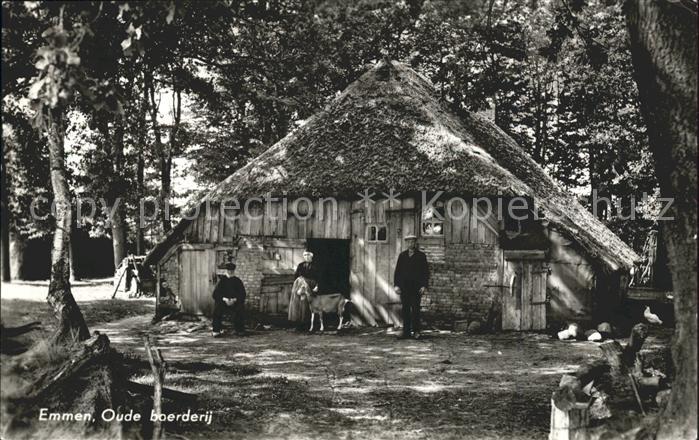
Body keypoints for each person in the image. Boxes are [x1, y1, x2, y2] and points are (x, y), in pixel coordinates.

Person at [393, 235, 429, 340]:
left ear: (415, 243)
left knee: (416, 309)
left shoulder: (421, 256)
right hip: (404, 288)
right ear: (406, 243)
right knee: (405, 310)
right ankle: (406, 332)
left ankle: (416, 332)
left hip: (416, 288)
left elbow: (425, 272)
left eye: (412, 242)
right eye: (408, 242)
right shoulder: (402, 256)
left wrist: (423, 285)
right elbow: (397, 272)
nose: (410, 244)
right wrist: (396, 285)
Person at [212, 262, 247, 337]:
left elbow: (243, 294)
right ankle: (216, 330)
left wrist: (234, 300)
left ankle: (240, 330)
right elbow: (215, 294)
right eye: (229, 270)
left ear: (234, 271)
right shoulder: (222, 281)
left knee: (240, 308)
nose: (230, 272)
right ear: (226, 271)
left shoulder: (237, 281)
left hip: (235, 302)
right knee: (217, 309)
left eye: (232, 271)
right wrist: (225, 299)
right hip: (224, 302)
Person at [288, 249, 318, 328]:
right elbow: (296, 275)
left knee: (307, 303)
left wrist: (317, 286)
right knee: (299, 302)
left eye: (308, 255)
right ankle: (299, 323)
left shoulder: (316, 265)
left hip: (311, 285)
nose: (306, 257)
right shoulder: (300, 265)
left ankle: (308, 323)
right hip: (300, 284)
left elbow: (320, 277)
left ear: (312, 256)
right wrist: (297, 286)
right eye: (305, 255)